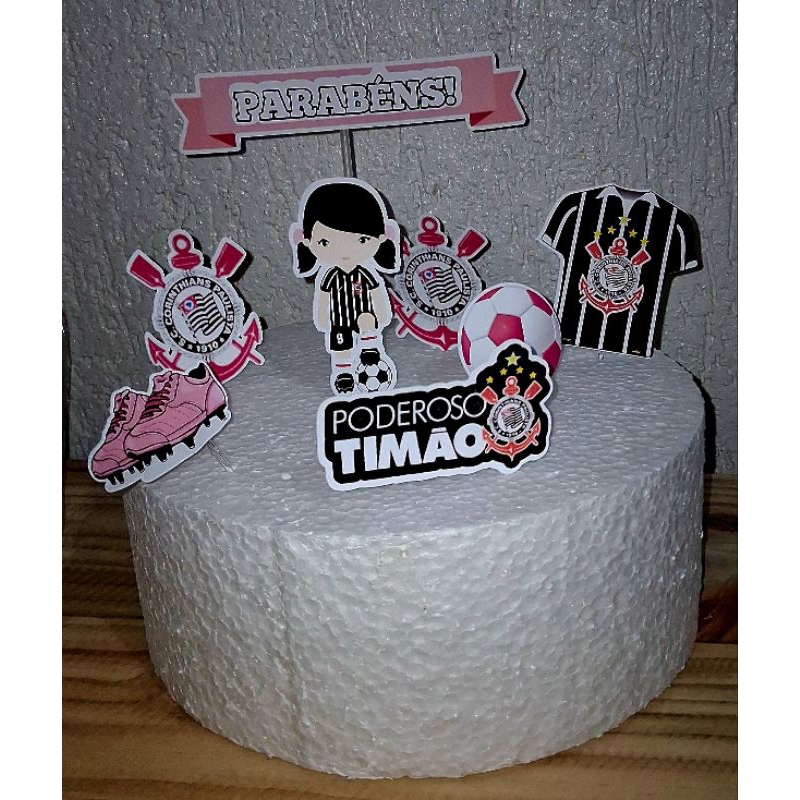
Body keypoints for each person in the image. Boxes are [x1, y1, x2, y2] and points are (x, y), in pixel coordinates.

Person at [290, 178, 400, 393]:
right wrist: (323, 319)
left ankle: (369, 354)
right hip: (339, 320)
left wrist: (381, 316)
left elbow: (376, 293)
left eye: (361, 240)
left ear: (381, 237)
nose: (345, 251)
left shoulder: (366, 273)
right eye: (325, 242)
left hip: (364, 316)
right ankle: (344, 375)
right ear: (307, 241)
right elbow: (324, 298)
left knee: (367, 321)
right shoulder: (329, 276)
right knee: (341, 349)